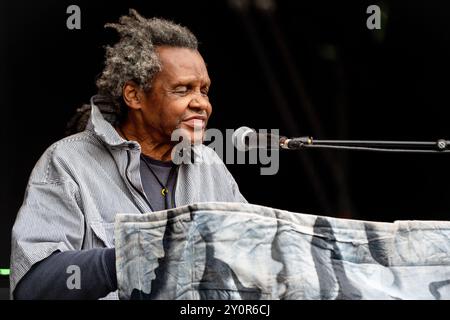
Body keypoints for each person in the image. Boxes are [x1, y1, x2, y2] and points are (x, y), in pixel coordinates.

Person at [10, 9, 246, 300]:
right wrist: (129, 257)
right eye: (182, 89)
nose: (200, 103)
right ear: (134, 96)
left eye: (204, 91)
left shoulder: (211, 167)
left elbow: (252, 264)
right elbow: (33, 286)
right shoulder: (67, 162)